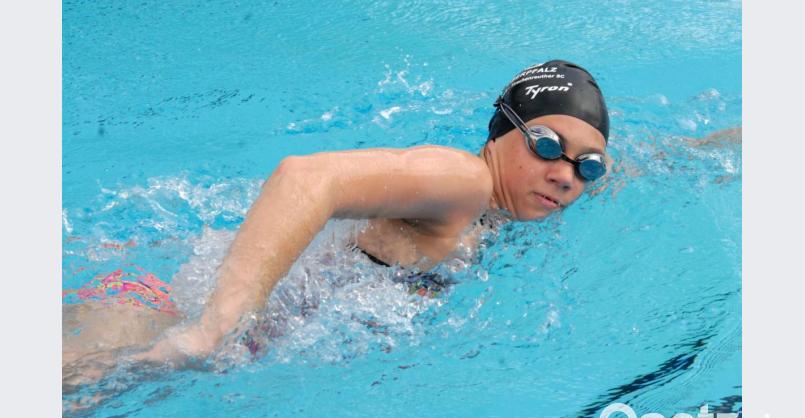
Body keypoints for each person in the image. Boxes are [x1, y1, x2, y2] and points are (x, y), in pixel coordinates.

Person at [63, 60, 612, 383]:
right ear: (501, 131)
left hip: (195, 317)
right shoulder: (465, 181)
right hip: (158, 316)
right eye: (547, 146)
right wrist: (214, 326)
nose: (565, 175)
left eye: (588, 165)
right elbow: (307, 179)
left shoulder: (498, 205)